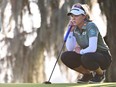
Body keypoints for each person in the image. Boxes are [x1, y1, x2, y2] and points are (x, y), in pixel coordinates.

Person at [61, 3, 112, 83]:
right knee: (65, 56)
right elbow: (70, 48)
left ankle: (100, 74)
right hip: (86, 55)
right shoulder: (75, 28)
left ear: (84, 16)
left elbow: (93, 48)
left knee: (85, 57)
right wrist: (70, 32)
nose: (73, 18)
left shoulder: (91, 26)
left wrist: (80, 51)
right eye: (72, 16)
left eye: (76, 15)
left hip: (103, 57)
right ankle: (87, 75)